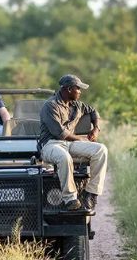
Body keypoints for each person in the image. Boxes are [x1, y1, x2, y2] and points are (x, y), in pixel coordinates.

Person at [39, 74, 107, 211]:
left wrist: (96, 129)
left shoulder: (77, 105)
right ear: (69, 89)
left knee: (101, 150)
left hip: (69, 144)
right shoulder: (50, 106)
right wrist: (81, 139)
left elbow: (93, 111)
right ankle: (70, 199)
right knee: (64, 157)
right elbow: (61, 133)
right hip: (51, 144)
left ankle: (91, 193)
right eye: (78, 88)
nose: (80, 91)